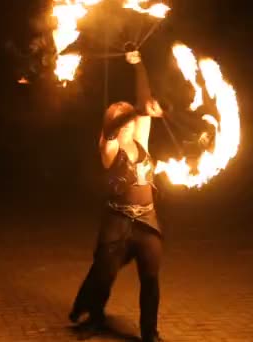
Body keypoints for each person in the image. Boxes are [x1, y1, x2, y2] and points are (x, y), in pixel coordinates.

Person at [69, 49, 165, 342]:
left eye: (132, 118)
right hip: (117, 224)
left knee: (150, 280)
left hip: (147, 222)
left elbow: (143, 104)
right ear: (116, 123)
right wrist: (131, 111)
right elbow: (114, 127)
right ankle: (93, 317)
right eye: (125, 118)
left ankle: (150, 333)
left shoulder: (141, 141)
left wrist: (138, 64)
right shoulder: (110, 150)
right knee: (103, 276)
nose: (132, 122)